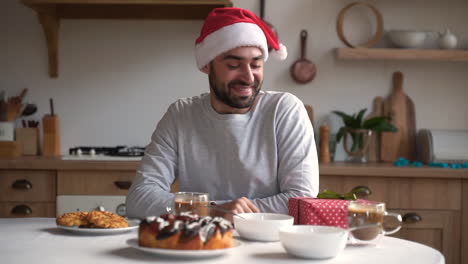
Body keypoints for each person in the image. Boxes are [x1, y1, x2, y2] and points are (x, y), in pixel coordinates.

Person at [126, 7, 318, 221]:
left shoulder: (284, 110)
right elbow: (139, 199)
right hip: (202, 245)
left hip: (270, 247)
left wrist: (226, 212)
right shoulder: (181, 115)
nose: (248, 77)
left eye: (256, 64)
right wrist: (211, 211)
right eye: (234, 65)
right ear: (207, 65)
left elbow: (301, 200)